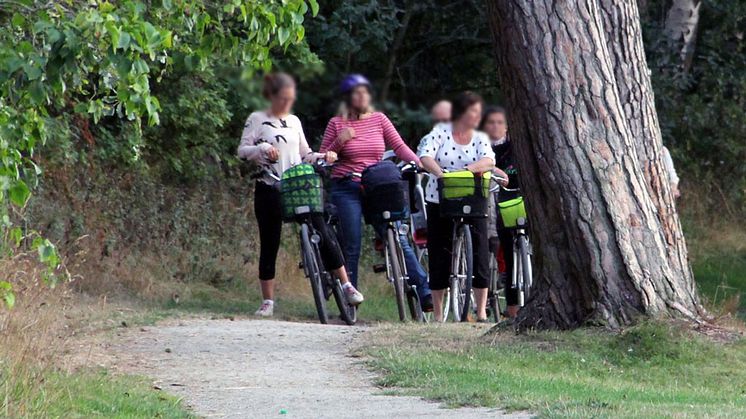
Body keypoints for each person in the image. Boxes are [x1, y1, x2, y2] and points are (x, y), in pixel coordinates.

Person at [238, 72, 364, 317]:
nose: (286, 103)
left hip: (298, 186)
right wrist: (262, 149)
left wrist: (324, 156)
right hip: (270, 185)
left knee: (322, 228)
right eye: (283, 98)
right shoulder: (257, 119)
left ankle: (346, 284)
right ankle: (268, 301)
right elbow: (242, 151)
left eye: (290, 98)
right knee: (270, 240)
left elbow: (305, 153)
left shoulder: (294, 121)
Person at [320, 74, 433, 312]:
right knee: (351, 243)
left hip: (376, 186)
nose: (361, 97)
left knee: (399, 236)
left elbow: (399, 146)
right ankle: (350, 299)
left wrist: (417, 163)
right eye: (356, 93)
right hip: (346, 186)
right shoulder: (336, 123)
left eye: (364, 93)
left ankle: (424, 290)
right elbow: (323, 158)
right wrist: (338, 142)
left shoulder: (379, 119)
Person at [418, 91, 497, 322]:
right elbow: (425, 156)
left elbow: (489, 160)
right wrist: (440, 174)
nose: (477, 116)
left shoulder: (481, 137)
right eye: (473, 112)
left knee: (480, 251)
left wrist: (468, 170)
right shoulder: (440, 133)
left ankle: (481, 310)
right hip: (441, 199)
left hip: (473, 199)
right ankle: (439, 313)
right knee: (439, 253)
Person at [481, 106, 520, 319]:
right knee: (491, 247)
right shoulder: (480, 148)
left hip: (514, 204)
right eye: (491, 122)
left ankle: (514, 301)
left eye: (499, 122)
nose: (495, 126)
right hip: (488, 204)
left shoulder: (516, 147)